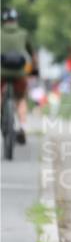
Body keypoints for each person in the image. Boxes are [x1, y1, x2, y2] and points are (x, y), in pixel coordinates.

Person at [0, 8, 35, 145]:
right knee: (20, 99)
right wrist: (34, 71)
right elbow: (32, 55)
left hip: (1, 72)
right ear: (16, 21)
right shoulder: (23, 33)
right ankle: (22, 127)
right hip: (19, 72)